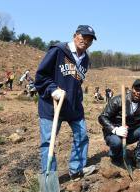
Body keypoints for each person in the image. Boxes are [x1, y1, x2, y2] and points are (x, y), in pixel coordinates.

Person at [34, 25, 97, 181]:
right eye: (83, 37)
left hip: (73, 106)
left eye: (90, 39)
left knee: (82, 136)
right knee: (48, 142)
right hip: (51, 106)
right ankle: (50, 177)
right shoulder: (58, 50)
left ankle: (76, 169)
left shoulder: (85, 59)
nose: (86, 41)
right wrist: (52, 89)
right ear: (75, 35)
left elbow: (76, 82)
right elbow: (41, 76)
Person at [98, 79, 140, 172]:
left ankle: (139, 159)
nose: (138, 92)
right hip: (113, 133)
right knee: (116, 142)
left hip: (130, 133)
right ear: (132, 89)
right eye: (136, 89)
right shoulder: (118, 100)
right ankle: (116, 157)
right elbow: (102, 117)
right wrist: (115, 129)